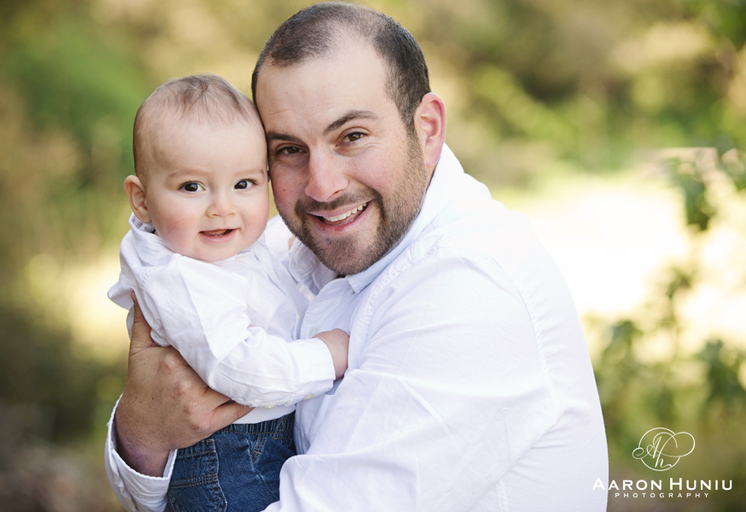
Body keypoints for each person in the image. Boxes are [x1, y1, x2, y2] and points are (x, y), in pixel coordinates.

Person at [106, 3, 609, 511]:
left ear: (428, 129)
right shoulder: (289, 244)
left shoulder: (467, 291)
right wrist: (141, 434)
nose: (322, 187)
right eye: (288, 150)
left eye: (352, 137)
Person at [107, 74, 349, 512]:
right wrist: (325, 357)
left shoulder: (217, 249)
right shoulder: (182, 277)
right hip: (227, 462)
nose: (222, 206)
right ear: (141, 200)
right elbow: (239, 368)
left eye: (244, 184)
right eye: (192, 187)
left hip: (253, 447)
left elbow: (265, 268)